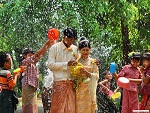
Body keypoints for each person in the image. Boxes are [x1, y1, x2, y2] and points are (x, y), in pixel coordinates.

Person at [48, 27, 78, 113]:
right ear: (64, 37)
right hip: (59, 83)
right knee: (57, 109)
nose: (71, 42)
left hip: (71, 84)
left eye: (73, 40)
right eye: (69, 39)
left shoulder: (75, 49)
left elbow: (80, 62)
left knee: (71, 109)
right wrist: (66, 64)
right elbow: (50, 65)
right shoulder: (54, 48)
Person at [21, 39, 55, 113]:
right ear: (24, 56)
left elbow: (40, 54)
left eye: (32, 55)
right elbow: (37, 54)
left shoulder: (33, 62)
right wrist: (46, 43)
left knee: (32, 106)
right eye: (29, 55)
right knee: (29, 106)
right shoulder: (24, 62)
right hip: (27, 86)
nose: (32, 56)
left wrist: (48, 45)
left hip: (32, 87)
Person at [75, 37, 99, 113]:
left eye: (87, 50)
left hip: (89, 90)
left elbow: (97, 75)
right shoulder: (76, 62)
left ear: (90, 50)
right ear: (80, 50)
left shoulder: (93, 62)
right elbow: (72, 75)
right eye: (83, 50)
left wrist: (88, 74)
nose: (85, 52)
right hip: (79, 90)